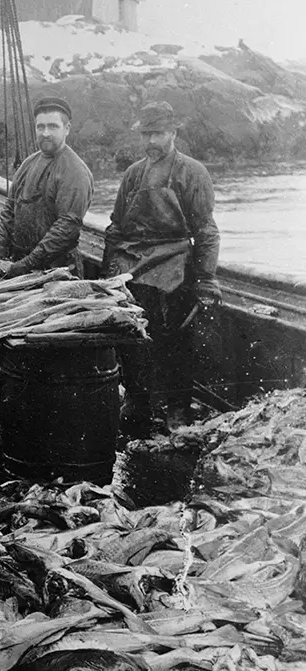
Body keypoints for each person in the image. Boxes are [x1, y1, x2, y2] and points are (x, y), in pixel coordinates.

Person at [105, 101, 221, 434]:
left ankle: (178, 408)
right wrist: (109, 273)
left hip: (175, 265)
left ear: (173, 133)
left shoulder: (192, 172)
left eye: (157, 133)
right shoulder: (133, 174)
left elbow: (206, 231)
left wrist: (207, 280)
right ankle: (138, 402)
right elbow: (116, 228)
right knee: (131, 337)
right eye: (146, 134)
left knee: (176, 342)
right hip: (134, 263)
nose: (151, 141)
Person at [0, 96, 94, 277]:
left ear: (67, 129)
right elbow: (10, 209)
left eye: (53, 126)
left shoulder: (75, 172)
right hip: (21, 264)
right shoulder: (28, 164)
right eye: (40, 127)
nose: (45, 133)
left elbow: (66, 228)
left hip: (58, 271)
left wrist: (25, 265)